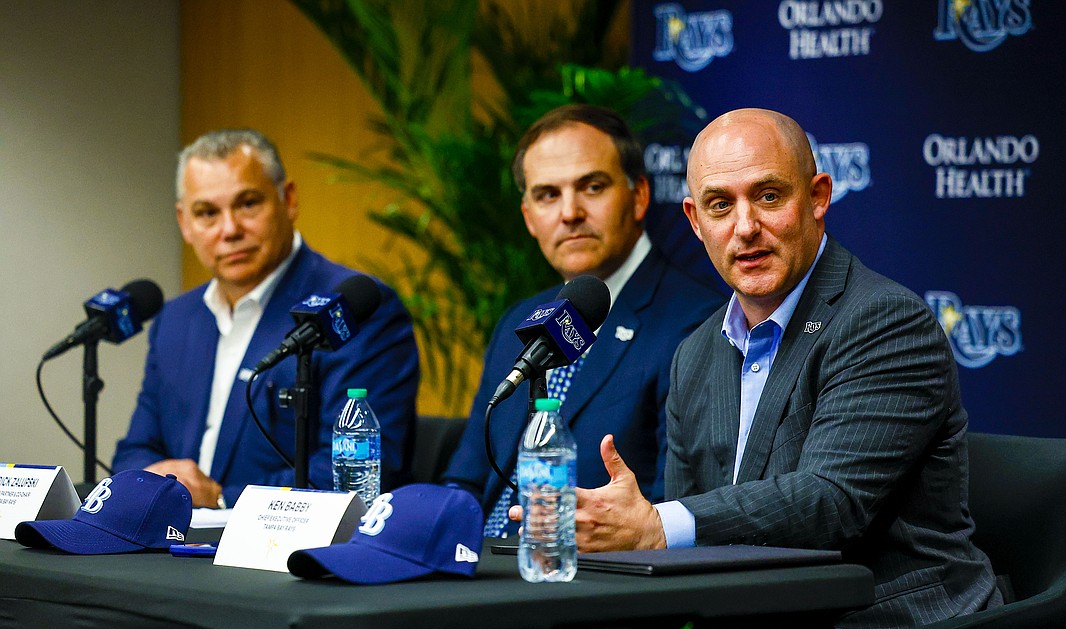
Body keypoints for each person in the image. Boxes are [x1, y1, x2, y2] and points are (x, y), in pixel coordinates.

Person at [510, 108, 1002, 629]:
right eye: (719, 205)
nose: (746, 227)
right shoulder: (696, 353)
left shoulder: (883, 321)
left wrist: (658, 524)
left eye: (768, 196)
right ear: (694, 220)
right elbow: (693, 532)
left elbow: (833, 502)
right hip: (753, 620)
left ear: (818, 197)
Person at [445, 104, 727, 535]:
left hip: (589, 580)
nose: (570, 212)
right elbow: (465, 481)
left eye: (592, 187)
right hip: (479, 569)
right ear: (528, 217)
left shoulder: (696, 321)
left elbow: (676, 506)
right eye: (547, 195)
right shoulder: (519, 321)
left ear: (639, 196)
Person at [113, 129, 419, 508]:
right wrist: (156, 483)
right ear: (184, 223)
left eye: (247, 204)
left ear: (288, 200)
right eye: (207, 213)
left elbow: (354, 471)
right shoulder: (176, 320)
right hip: (170, 544)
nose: (230, 230)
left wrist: (222, 499)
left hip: (287, 554)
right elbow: (135, 451)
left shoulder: (354, 308)